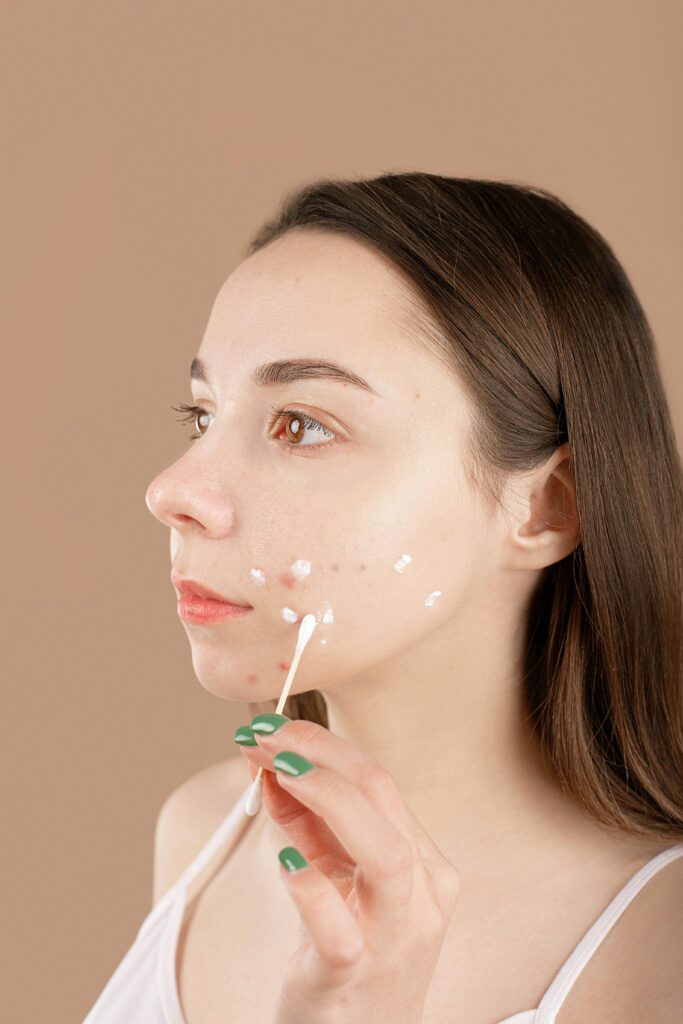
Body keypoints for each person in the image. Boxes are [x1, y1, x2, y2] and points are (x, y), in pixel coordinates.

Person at [85, 173, 683, 1024]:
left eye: (301, 424)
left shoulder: (661, 952)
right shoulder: (204, 834)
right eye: (202, 415)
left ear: (548, 508)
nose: (173, 491)